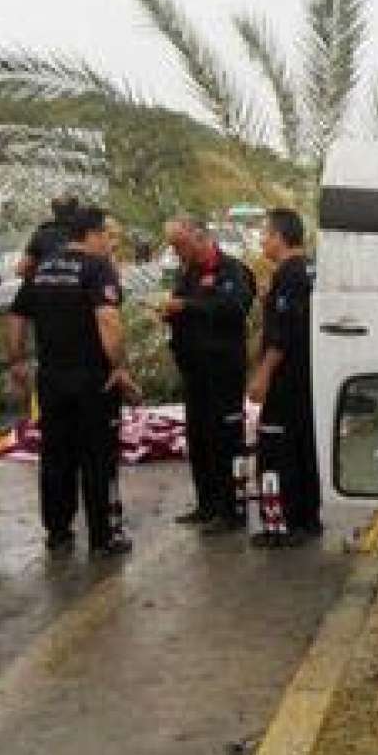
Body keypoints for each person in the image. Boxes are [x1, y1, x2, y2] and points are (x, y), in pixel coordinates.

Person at [5, 206, 137, 556]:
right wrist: (120, 366)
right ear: (91, 235)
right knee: (98, 456)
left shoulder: (43, 268)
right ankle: (103, 536)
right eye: (107, 235)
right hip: (93, 379)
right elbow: (108, 319)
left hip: (51, 378)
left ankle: (59, 531)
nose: (110, 243)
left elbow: (17, 314)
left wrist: (16, 360)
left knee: (56, 455)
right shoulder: (97, 268)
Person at [156, 216, 256, 533]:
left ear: (200, 238)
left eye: (180, 245)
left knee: (224, 439)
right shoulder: (189, 273)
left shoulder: (232, 270)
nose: (176, 252)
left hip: (222, 371)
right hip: (195, 372)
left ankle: (231, 509)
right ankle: (207, 504)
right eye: (172, 246)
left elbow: (234, 308)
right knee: (199, 439)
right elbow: (185, 309)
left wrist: (186, 306)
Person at [248, 208, 320, 546]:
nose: (262, 240)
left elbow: (282, 334)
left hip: (286, 378)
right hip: (309, 377)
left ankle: (282, 525)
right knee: (304, 446)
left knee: (276, 450)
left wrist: (262, 375)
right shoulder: (312, 269)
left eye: (265, 234)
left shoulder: (289, 274)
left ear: (279, 237)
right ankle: (308, 518)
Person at [16, 194, 80, 280]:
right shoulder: (88, 233)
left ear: (54, 211)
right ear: (76, 210)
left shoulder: (42, 232)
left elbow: (21, 270)